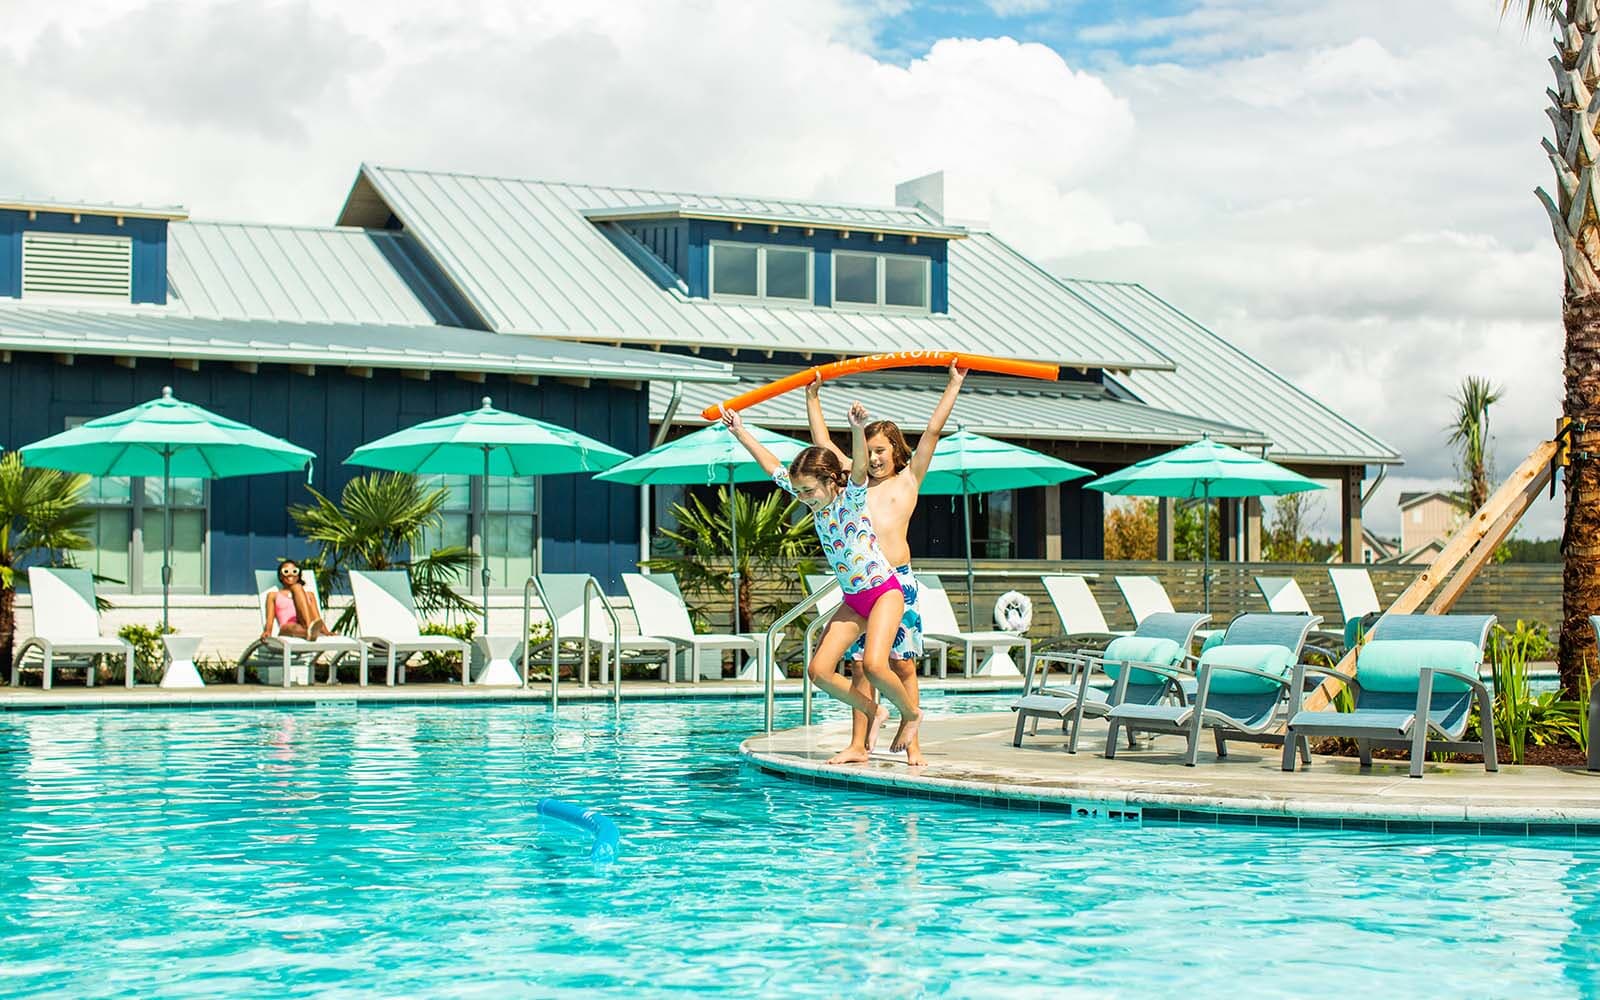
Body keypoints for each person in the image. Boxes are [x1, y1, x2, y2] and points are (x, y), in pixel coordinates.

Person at [724, 402, 923, 762]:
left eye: (808, 492)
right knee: (818, 671)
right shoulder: (811, 498)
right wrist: (740, 431)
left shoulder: (853, 497)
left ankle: (911, 715)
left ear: (830, 481)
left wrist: (858, 429)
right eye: (798, 492)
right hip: (854, 598)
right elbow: (772, 468)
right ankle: (875, 712)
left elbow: (860, 466)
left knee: (877, 666)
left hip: (884, 593)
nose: (802, 499)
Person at [803, 360, 967, 767]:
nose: (874, 459)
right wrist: (813, 398)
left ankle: (913, 742)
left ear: (896, 451)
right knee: (860, 667)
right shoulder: (853, 483)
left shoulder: (908, 479)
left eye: (881, 451)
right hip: (863, 585)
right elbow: (822, 446)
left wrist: (954, 385)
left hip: (899, 583)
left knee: (901, 664)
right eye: (869, 451)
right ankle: (860, 744)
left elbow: (931, 432)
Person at [261, 560, 331, 642]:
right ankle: (309, 632)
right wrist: (267, 631)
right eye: (286, 571)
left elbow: (316, 617)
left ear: (298, 576)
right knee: (290, 627)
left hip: (306, 623)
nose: (290, 574)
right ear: (280, 576)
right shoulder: (273, 595)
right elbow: (269, 620)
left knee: (297, 587)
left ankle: (308, 629)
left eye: (294, 571)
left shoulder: (309, 595)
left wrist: (327, 632)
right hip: (288, 627)